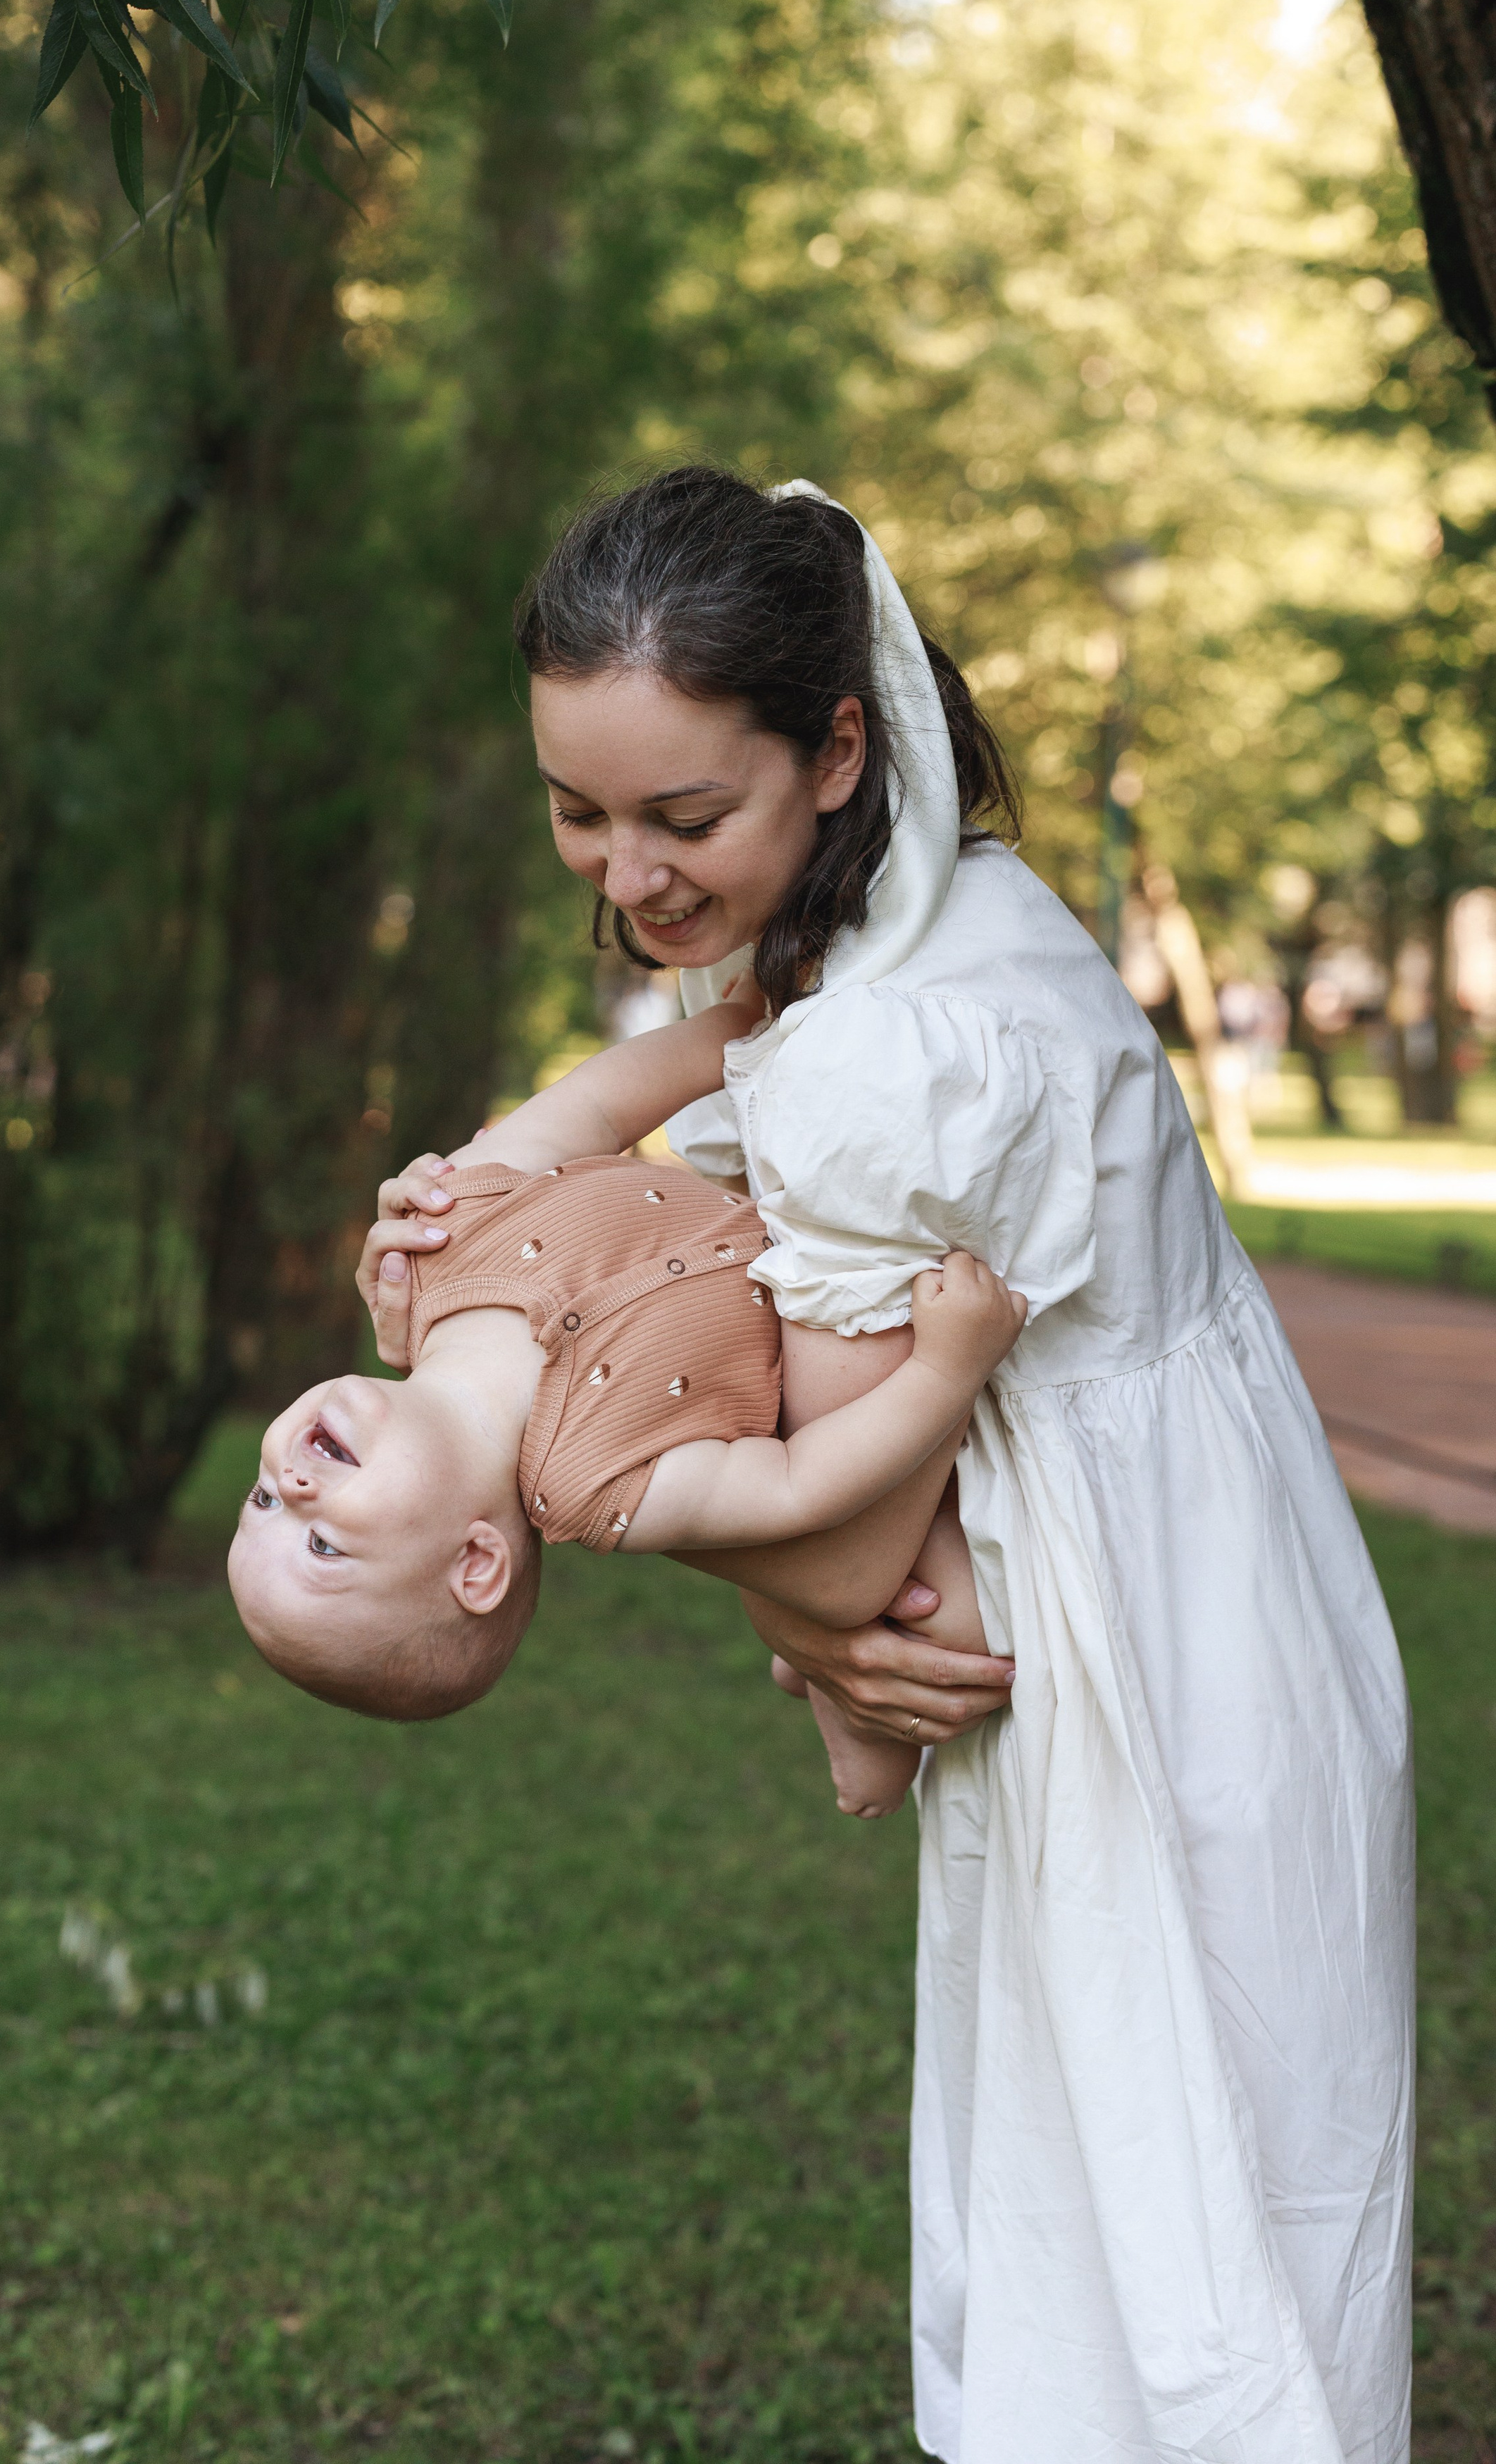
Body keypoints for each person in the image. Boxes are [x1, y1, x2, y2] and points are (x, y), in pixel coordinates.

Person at [366, 468, 1415, 2464]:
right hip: (1221, 1586)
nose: (630, 873)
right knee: (1236, 2215)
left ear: (837, 744)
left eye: (684, 816)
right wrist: (491, 1180)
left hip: (1114, 1674)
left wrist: (665, 1534)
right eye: (578, 811)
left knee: (1155, 2271)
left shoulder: (877, 1063)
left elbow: (848, 1546)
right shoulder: (933, 911)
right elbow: (695, 1053)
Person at [231, 987, 1025, 1819]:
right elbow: (799, 1481)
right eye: (321, 1545)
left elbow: (597, 1104)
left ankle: (815, 1664)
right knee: (955, 1612)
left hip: (805, 1267)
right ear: (475, 1562)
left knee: (861, 1582)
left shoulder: (442, 1229)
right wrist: (944, 1370)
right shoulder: (608, 1489)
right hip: (848, 1388)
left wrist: (724, 1033)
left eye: (259, 1499)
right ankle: (861, 1724)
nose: (290, 1487)